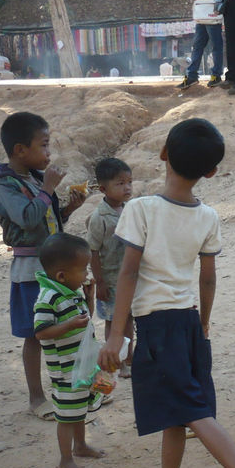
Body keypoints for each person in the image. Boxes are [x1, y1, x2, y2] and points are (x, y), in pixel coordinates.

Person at [97, 119, 235, 468]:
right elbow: (208, 278)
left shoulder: (139, 209)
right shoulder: (208, 217)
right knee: (176, 413)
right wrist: (202, 323)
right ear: (212, 172)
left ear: (163, 152)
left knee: (190, 410)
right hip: (185, 321)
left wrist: (115, 335)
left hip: (156, 325)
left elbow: (127, 274)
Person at [0, 112, 87, 420]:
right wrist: (47, 188)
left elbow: (49, 219)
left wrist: (69, 207)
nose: (48, 154)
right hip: (30, 269)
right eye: (44, 146)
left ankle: (76, 389)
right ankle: (36, 397)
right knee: (35, 333)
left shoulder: (34, 178)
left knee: (69, 326)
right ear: (20, 149)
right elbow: (29, 218)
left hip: (54, 265)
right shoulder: (7, 185)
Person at [34, 233, 105, 468]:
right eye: (83, 269)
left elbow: (85, 319)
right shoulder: (48, 297)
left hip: (81, 364)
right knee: (66, 415)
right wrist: (68, 326)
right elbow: (41, 332)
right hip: (65, 369)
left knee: (79, 409)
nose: (87, 274)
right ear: (61, 275)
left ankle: (81, 446)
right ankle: (65, 460)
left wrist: (90, 299)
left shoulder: (70, 291)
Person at [86, 158, 134, 378]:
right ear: (104, 189)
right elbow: (93, 251)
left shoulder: (130, 210)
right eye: (120, 183)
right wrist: (100, 281)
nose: (127, 188)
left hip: (131, 278)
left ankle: (129, 357)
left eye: (129, 182)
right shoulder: (99, 218)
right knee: (113, 321)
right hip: (111, 280)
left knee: (129, 318)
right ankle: (116, 361)